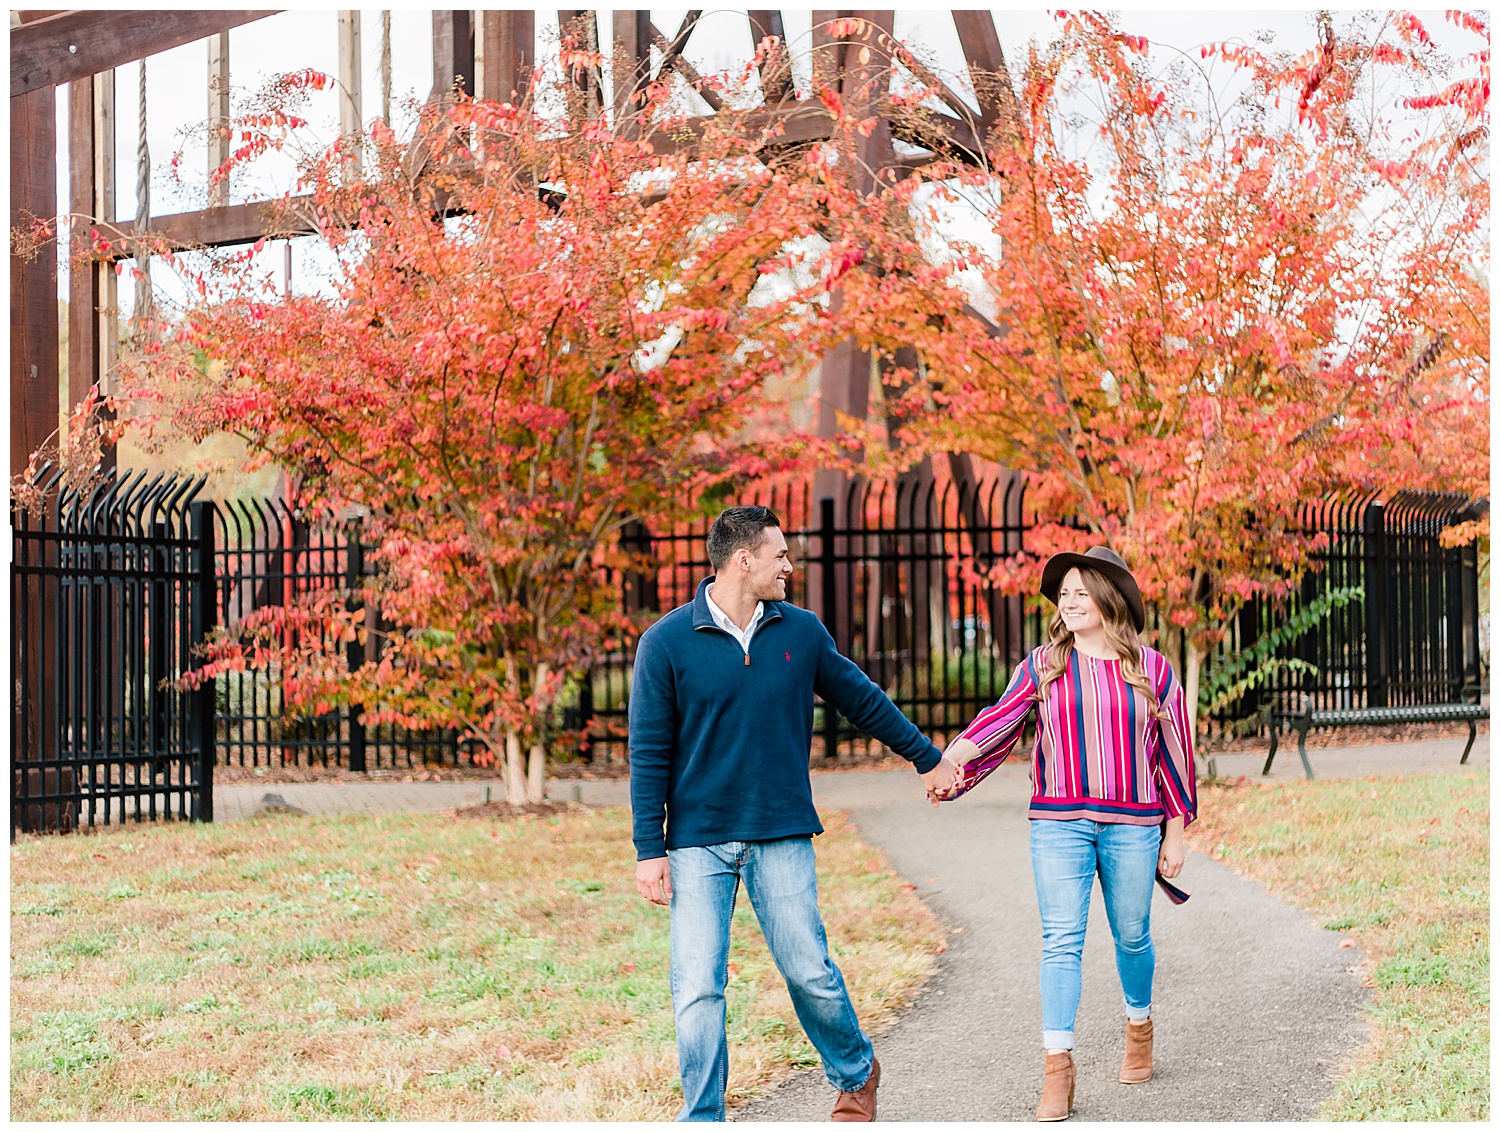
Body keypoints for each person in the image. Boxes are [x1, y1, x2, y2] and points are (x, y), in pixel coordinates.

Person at [629, 505, 958, 1122]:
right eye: (780, 555)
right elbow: (648, 751)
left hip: (780, 831)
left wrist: (926, 758)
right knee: (698, 987)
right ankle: (703, 1116)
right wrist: (650, 849)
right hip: (697, 841)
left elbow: (862, 698)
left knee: (808, 971)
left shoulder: (800, 632)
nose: (790, 565)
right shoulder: (666, 643)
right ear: (743, 559)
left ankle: (856, 1073)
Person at [930, 545, 1197, 1122]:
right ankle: (1057, 1067)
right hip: (1058, 823)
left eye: (1082, 591)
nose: (1069, 601)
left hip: (1134, 824)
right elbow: (998, 719)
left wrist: (1175, 831)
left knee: (1131, 935)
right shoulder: (1043, 665)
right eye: (1065, 593)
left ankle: (1139, 1024)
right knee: (1060, 940)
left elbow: (1173, 751)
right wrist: (956, 758)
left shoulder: (1152, 669)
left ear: (1109, 600)